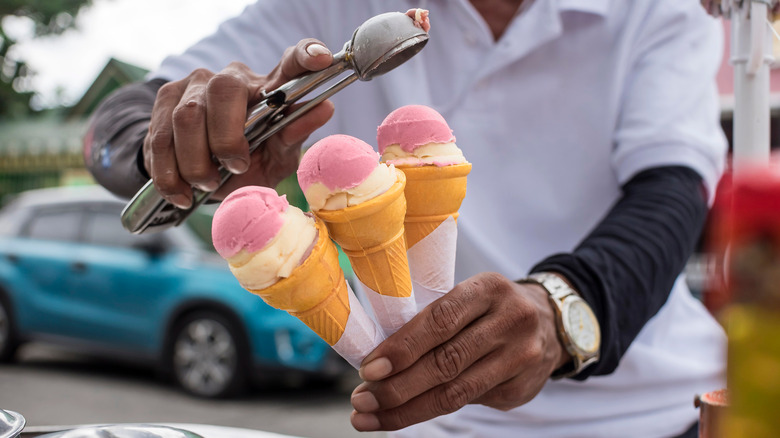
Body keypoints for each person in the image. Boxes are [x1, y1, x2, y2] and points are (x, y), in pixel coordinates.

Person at [84, 1, 727, 436]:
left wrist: (560, 311)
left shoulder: (659, 12)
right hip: (436, 419)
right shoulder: (329, 9)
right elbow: (111, 135)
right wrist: (190, 139)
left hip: (656, 413)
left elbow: (673, 195)